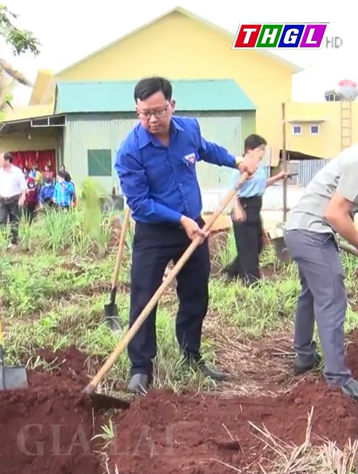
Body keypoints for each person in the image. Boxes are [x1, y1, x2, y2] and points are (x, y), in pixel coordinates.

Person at [114, 76, 260, 395]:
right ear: (136, 112)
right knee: (144, 297)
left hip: (193, 227)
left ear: (172, 106)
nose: (152, 119)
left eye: (158, 111)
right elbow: (138, 202)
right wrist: (179, 219)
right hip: (154, 231)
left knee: (195, 293)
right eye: (144, 113)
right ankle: (140, 368)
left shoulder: (188, 129)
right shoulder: (129, 152)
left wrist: (236, 161)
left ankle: (190, 356)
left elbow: (206, 150)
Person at [283, 145, 358, 400]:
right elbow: (335, 214)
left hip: (298, 229)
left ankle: (304, 356)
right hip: (313, 233)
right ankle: (338, 378)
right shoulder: (357, 161)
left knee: (312, 295)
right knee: (333, 298)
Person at [224, 134, 288, 284]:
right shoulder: (241, 169)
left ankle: (232, 271)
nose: (262, 153)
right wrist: (237, 209)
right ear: (249, 150)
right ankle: (252, 281)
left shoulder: (258, 169)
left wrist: (278, 177)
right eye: (259, 150)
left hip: (255, 207)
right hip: (242, 207)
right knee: (248, 247)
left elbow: (260, 185)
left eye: (263, 150)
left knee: (257, 245)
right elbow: (232, 191)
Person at [0, 152, 27, 246]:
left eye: (1, 159)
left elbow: (23, 186)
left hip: (14, 199)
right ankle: (4, 241)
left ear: (7, 160)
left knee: (14, 220)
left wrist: (23, 197)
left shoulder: (17, 172)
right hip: (1, 199)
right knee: (2, 220)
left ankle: (14, 241)